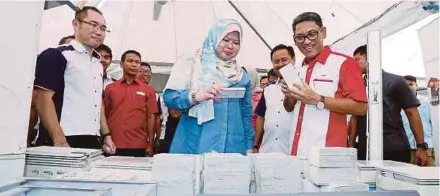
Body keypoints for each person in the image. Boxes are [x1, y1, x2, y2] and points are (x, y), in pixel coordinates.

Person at [282, 12, 368, 157]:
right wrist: (290, 95)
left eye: (312, 34)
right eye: (300, 37)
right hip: (296, 153)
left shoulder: (344, 63)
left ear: (323, 32)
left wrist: (319, 99)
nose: (306, 41)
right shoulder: (298, 69)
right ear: (295, 40)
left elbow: (361, 107)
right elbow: (289, 107)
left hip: (327, 156)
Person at [163, 19, 254, 155]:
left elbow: (245, 114)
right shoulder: (193, 63)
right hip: (197, 141)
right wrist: (196, 96)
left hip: (233, 146)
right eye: (225, 39)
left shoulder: (241, 76)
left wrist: (249, 145)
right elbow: (169, 97)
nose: (230, 46)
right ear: (215, 38)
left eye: (236, 42)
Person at [33, 6, 115, 153]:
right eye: (93, 25)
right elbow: (42, 98)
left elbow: (98, 103)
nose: (99, 32)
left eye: (103, 28)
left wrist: (106, 135)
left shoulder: (98, 64)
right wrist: (59, 140)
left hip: (92, 139)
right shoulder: (57, 55)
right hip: (63, 139)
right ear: (76, 24)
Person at [349, 45, 427, 165]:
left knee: (395, 183)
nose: (353, 65)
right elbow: (354, 117)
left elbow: (412, 113)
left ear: (371, 58)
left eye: (357, 60)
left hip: (395, 148)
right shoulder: (358, 85)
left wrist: (421, 146)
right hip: (364, 149)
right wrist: (350, 146)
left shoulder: (396, 81)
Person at [104, 50, 157, 156]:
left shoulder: (148, 90)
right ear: (121, 64)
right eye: (130, 61)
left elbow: (151, 117)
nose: (134, 65)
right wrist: (104, 137)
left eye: (137, 62)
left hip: (138, 144)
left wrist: (150, 143)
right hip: (113, 143)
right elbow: (104, 115)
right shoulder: (110, 88)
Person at [254, 44, 296, 154]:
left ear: (293, 60)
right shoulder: (268, 90)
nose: (280, 64)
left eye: (284, 60)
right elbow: (260, 117)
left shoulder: (304, 87)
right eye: (276, 61)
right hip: (267, 149)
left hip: (291, 151)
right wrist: (255, 144)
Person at [401, 75, 435, 166]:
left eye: (411, 84)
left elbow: (434, 126)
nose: (408, 87)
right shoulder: (398, 106)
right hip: (407, 149)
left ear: (416, 85)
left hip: (427, 147)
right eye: (405, 85)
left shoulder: (427, 104)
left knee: (429, 177)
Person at [138, 62, 163, 151]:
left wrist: (156, 138)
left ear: (151, 74)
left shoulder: (154, 94)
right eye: (140, 71)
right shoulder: (129, 91)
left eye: (147, 72)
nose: (144, 74)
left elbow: (157, 118)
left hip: (147, 137)